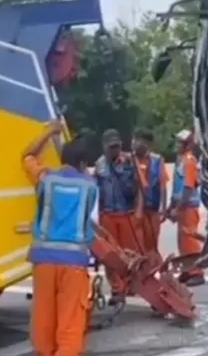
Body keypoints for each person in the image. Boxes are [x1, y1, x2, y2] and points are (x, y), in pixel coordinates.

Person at [22, 119, 97, 356]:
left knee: (44, 317)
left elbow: (27, 155)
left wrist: (49, 133)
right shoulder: (90, 186)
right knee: (70, 322)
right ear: (84, 163)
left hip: (43, 259)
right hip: (73, 262)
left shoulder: (46, 179)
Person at [94, 128, 144, 304]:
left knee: (130, 253)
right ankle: (117, 289)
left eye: (117, 146)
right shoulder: (99, 165)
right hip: (108, 214)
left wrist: (139, 211)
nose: (114, 150)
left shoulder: (130, 161)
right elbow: (96, 192)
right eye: (111, 147)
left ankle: (131, 285)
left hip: (127, 214)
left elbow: (139, 188)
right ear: (104, 147)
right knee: (110, 255)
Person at [167, 128, 206, 287]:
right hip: (182, 206)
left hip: (188, 207)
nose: (176, 145)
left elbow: (188, 188)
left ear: (187, 144)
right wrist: (172, 206)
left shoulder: (189, 161)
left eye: (179, 142)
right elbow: (177, 187)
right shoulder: (181, 160)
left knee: (189, 240)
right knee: (183, 241)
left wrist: (178, 208)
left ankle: (196, 272)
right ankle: (187, 270)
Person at [132, 128, 167, 255]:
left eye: (140, 140)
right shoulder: (128, 160)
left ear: (148, 144)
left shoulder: (157, 161)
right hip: (133, 211)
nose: (136, 143)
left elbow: (162, 185)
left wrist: (163, 208)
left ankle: (152, 272)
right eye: (135, 139)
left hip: (152, 210)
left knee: (152, 246)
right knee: (136, 247)